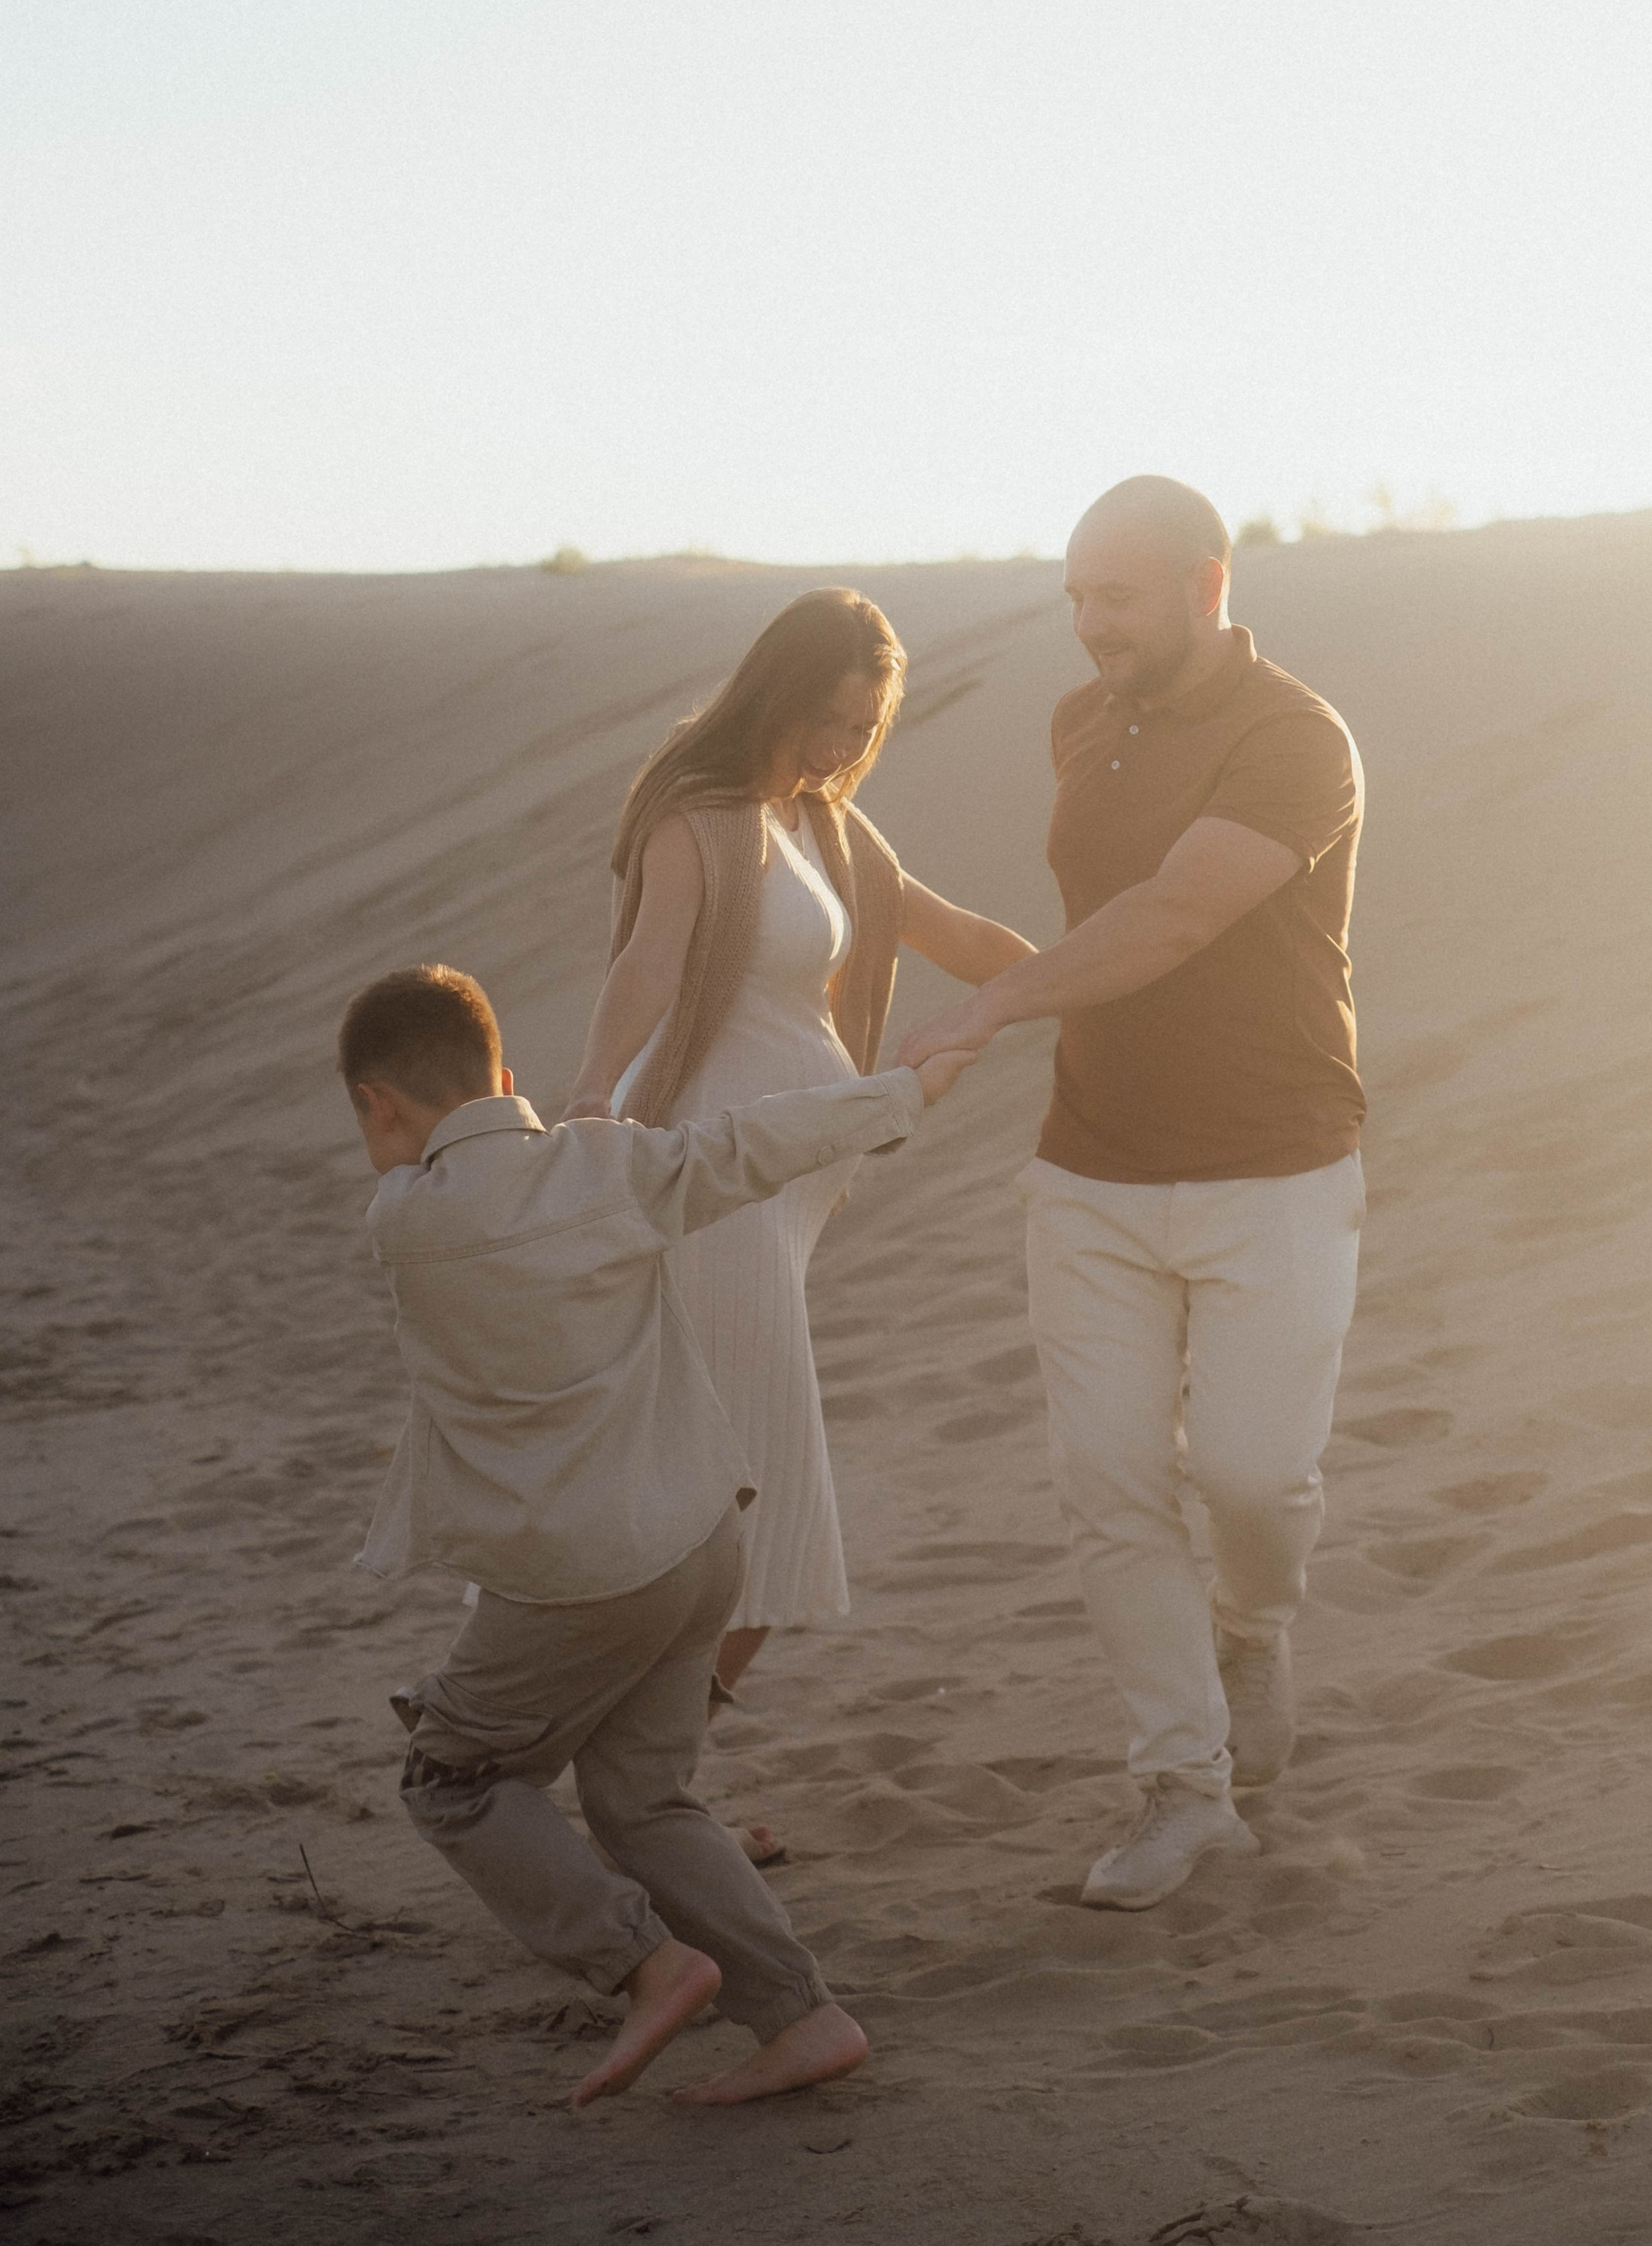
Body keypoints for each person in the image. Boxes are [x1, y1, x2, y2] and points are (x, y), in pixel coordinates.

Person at [343, 960, 976, 2109]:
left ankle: (645, 1963)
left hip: (578, 1579)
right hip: (701, 1546)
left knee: (454, 1777)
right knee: (642, 1798)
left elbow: (464, 1177)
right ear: (508, 1075)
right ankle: (802, 2015)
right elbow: (750, 1141)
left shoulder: (404, 1221)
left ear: (378, 1107)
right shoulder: (610, 1169)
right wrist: (905, 1092)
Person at [900, 477, 1366, 1911]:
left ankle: (1253, 1627)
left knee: (1248, 1475)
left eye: (1119, 597)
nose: (1090, 626)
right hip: (1091, 1166)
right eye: (1075, 598)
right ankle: (1183, 1790)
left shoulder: (1296, 739)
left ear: (1206, 585)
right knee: (1108, 1487)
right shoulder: (1079, 723)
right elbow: (1089, 915)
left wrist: (1000, 1007)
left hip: (1274, 1165)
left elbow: (1173, 914)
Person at [560, 588, 1033, 1710]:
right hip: (711, 1190)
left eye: (862, 729)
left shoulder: (824, 829)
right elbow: (648, 966)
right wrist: (588, 1097)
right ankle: (640, 1762)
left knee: (723, 1504)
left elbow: (958, 937)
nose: (839, 746)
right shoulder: (702, 814)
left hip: (781, 1206)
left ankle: (650, 1762)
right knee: (755, 1501)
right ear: (772, 693)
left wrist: (1087, 985)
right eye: (825, 719)